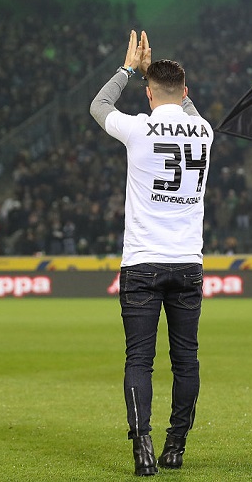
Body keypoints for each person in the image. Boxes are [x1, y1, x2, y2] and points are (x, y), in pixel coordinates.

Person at [90, 30, 214, 476]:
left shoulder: (139, 128)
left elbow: (99, 106)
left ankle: (142, 448)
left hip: (142, 263)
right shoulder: (204, 131)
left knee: (139, 360)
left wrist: (128, 69)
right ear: (185, 91)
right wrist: (164, 83)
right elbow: (189, 111)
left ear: (148, 93)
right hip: (188, 263)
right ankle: (175, 446)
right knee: (186, 360)